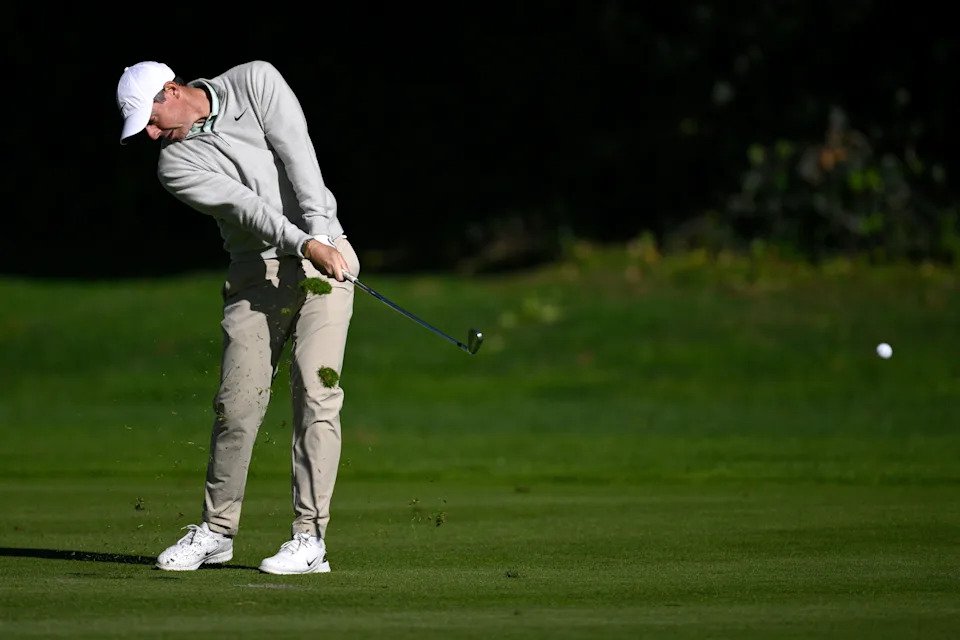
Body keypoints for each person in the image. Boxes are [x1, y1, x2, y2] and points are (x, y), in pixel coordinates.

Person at [116, 60, 360, 575]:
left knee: (317, 393)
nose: (154, 134)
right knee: (238, 401)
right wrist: (304, 243)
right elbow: (249, 207)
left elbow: (301, 160)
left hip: (327, 255)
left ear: (172, 89)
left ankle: (309, 538)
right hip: (257, 271)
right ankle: (217, 531)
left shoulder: (256, 81)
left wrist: (322, 236)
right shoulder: (174, 165)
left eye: (153, 120)